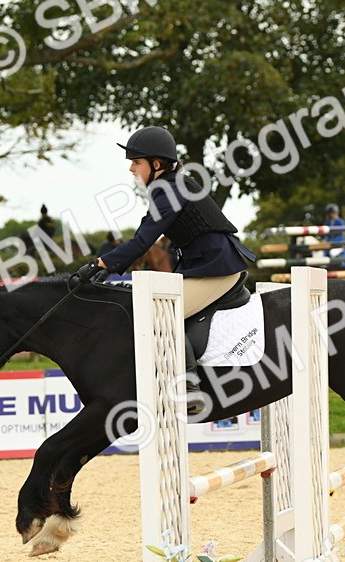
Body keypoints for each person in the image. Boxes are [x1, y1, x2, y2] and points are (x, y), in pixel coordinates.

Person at [82, 126, 256, 414]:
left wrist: (100, 263)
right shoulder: (168, 187)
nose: (130, 169)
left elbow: (142, 241)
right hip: (204, 266)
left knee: (161, 313)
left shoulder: (171, 189)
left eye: (136, 162)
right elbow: (143, 234)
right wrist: (112, 264)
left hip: (217, 271)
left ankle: (189, 389)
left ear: (157, 164)